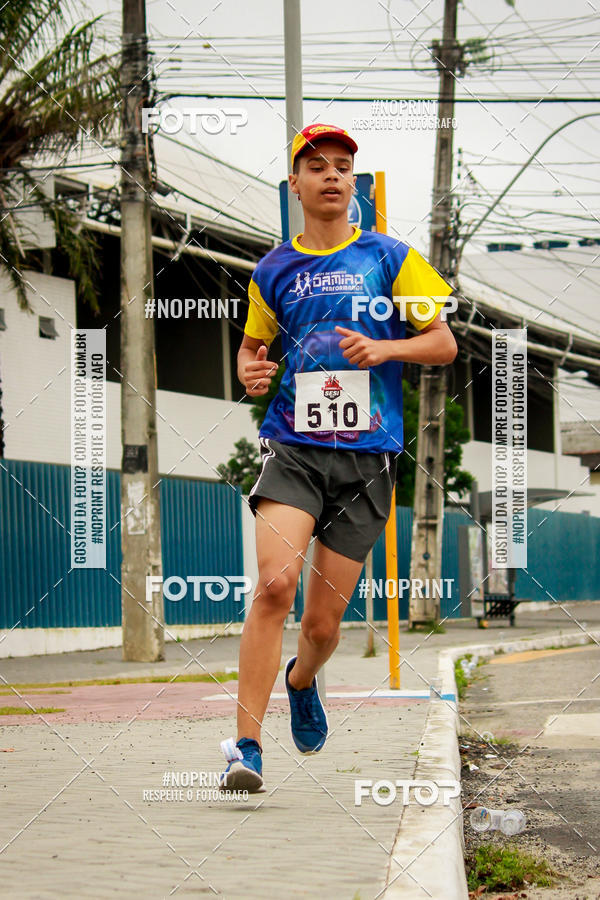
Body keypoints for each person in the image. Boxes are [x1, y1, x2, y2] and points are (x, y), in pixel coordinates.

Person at [219, 123, 457, 793]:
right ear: (294, 184)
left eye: (342, 166)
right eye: (316, 165)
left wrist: (387, 350)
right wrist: (250, 372)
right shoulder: (272, 270)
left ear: (354, 183)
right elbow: (252, 349)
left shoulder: (390, 258)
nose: (331, 175)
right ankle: (245, 747)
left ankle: (302, 681)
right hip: (293, 447)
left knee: (323, 625)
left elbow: (443, 343)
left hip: (366, 460)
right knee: (274, 588)